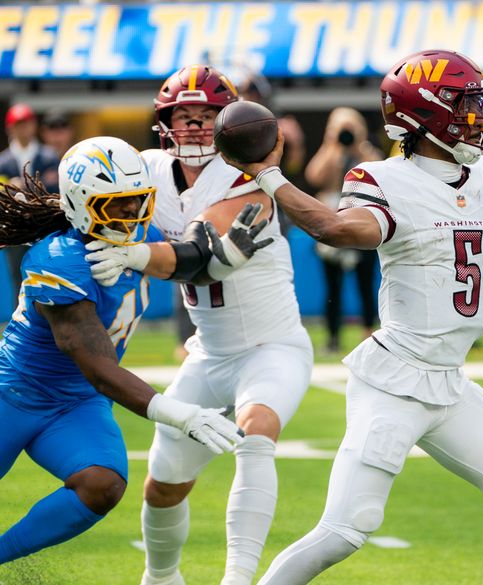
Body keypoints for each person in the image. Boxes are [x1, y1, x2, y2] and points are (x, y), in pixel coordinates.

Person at [224, 49, 483, 585]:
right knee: (346, 529)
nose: (481, 116)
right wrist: (269, 176)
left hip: (451, 384)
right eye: (465, 105)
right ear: (425, 115)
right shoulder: (384, 177)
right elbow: (336, 229)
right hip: (396, 381)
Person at [84, 64, 314, 585]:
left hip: (272, 346)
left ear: (229, 122)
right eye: (182, 116)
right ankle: (161, 577)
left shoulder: (248, 177)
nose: (193, 126)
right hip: (208, 352)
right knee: (164, 483)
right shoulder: (146, 171)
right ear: (165, 123)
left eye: (206, 115)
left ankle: (237, 578)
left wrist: (135, 254)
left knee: (256, 433)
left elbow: (198, 258)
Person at [0, 136, 244, 566]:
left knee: (102, 484)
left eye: (137, 199)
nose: (132, 213)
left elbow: (185, 266)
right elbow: (98, 368)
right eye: (116, 204)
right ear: (81, 205)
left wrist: (223, 261)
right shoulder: (58, 259)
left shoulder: (140, 235)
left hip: (76, 403)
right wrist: (180, 414)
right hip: (15, 395)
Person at [304, 107, 383, 352]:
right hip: (332, 224)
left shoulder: (366, 153)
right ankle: (333, 337)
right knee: (333, 287)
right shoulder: (331, 152)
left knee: (365, 284)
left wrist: (360, 146)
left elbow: (381, 173)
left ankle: (368, 332)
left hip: (362, 224)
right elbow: (314, 177)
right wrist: (332, 145)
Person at [0, 104, 61, 309]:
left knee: (49, 275)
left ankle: (51, 319)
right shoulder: (3, 161)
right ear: (10, 128)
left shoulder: (49, 155)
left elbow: (54, 188)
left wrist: (21, 186)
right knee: (18, 278)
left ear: (34, 125)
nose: (23, 128)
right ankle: (22, 319)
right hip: (15, 229)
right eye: (18, 124)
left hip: (46, 226)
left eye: (26, 123)